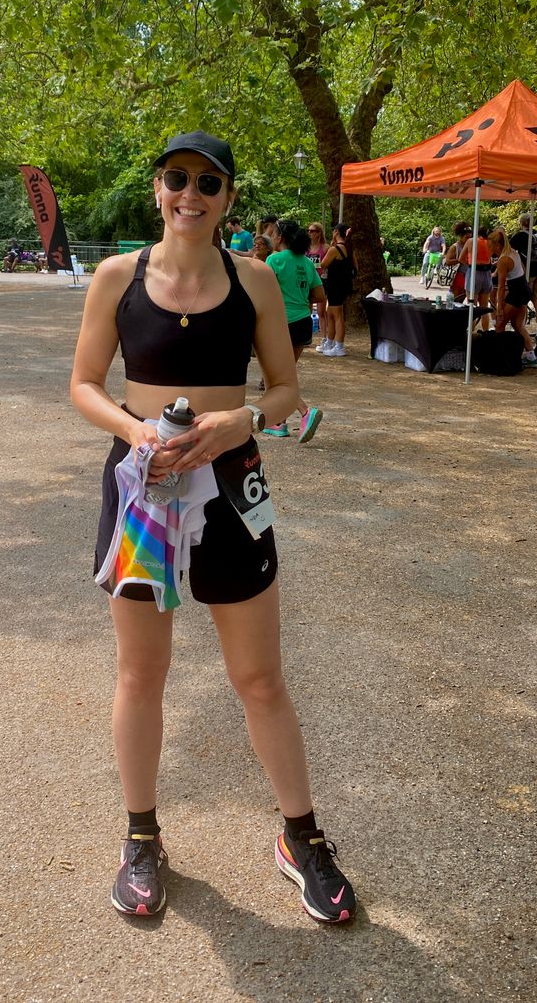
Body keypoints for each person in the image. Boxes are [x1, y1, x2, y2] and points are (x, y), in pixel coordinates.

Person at [70, 129, 356, 923]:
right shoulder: (116, 277)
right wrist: (134, 432)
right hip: (143, 491)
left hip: (233, 486)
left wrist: (242, 420)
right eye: (175, 179)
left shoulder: (258, 281)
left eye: (207, 183)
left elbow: (288, 391)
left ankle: (300, 839)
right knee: (141, 674)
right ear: (158, 189)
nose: (188, 195)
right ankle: (141, 838)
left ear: (229, 198)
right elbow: (85, 384)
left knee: (259, 677)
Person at [262, 220, 325, 441]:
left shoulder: (274, 260)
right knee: (284, 375)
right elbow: (319, 296)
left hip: (279, 323)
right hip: (302, 321)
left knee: (276, 376)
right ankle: (278, 422)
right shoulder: (307, 263)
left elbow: (264, 291)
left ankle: (305, 412)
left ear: (280, 237)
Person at [489, 227, 537, 366]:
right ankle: (531, 357)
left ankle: (500, 357)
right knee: (518, 325)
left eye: (490, 244)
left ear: (497, 245)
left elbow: (500, 288)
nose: (488, 247)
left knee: (500, 324)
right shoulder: (513, 253)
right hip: (523, 289)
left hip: (517, 292)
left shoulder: (503, 260)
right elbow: (521, 269)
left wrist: (499, 308)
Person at [318, 223, 355, 356]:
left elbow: (322, 265)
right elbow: (355, 267)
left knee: (337, 315)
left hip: (336, 285)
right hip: (343, 285)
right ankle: (330, 341)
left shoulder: (335, 249)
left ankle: (339, 346)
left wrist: (310, 262)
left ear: (337, 232)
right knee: (330, 313)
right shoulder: (349, 248)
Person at [510, 216, 537, 333]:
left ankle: (520, 329)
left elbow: (509, 250)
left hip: (528, 271)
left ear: (521, 223)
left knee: (523, 301)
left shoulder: (519, 236)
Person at [461, 225, 493, 330]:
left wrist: (469, 263)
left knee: (472, 307)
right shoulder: (490, 243)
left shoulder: (471, 241)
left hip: (474, 272)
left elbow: (461, 258)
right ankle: (486, 333)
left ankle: (471, 334)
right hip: (487, 273)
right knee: (484, 308)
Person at [306, 224, 329, 346]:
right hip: (307, 282)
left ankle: (324, 338)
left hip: (320, 282)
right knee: (307, 311)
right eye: (308, 231)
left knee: (321, 312)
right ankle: (306, 337)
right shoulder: (306, 248)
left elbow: (328, 265)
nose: (310, 233)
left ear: (319, 233)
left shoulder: (325, 248)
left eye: (313, 231)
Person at [443, 222, 472, 302]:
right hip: (458, 275)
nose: (468, 240)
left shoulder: (471, 246)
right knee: (456, 298)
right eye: (466, 237)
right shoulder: (455, 247)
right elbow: (448, 261)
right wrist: (459, 260)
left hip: (468, 275)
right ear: (461, 236)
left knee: (464, 297)